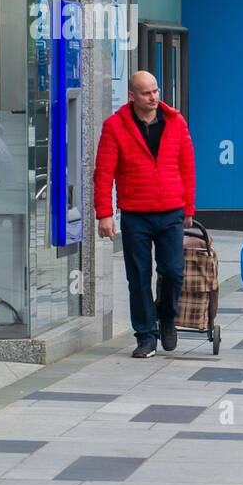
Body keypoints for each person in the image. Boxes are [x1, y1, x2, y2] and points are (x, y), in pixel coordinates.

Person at [94, 71, 196, 359]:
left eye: (155, 91)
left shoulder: (175, 122)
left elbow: (187, 166)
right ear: (132, 96)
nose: (153, 97)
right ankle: (145, 336)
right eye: (146, 93)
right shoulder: (115, 127)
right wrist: (104, 214)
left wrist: (188, 207)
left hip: (171, 211)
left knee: (173, 272)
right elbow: (103, 173)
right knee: (138, 277)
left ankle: (166, 318)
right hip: (135, 214)